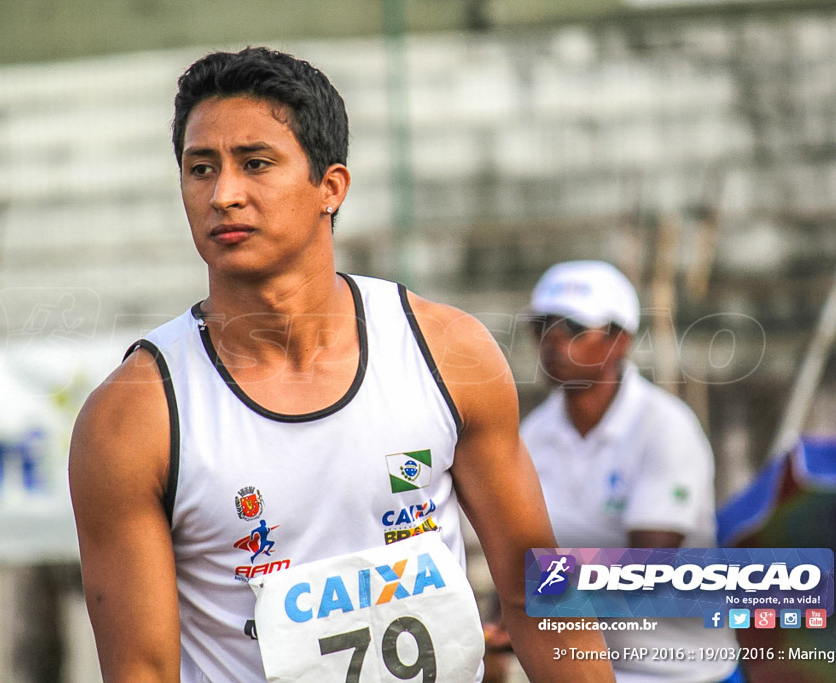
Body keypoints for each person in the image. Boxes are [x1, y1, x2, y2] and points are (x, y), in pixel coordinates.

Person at [68, 48, 613, 682]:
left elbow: (539, 596)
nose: (223, 194)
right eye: (200, 168)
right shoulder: (131, 418)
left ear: (331, 187)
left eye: (256, 163)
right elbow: (141, 671)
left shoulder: (448, 351)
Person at [515, 260, 742, 682]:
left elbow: (644, 570)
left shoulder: (666, 427)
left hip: (684, 672)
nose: (553, 339)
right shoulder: (531, 434)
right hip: (587, 669)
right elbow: (515, 560)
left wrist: (529, 592)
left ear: (621, 341)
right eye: (542, 325)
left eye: (574, 326)